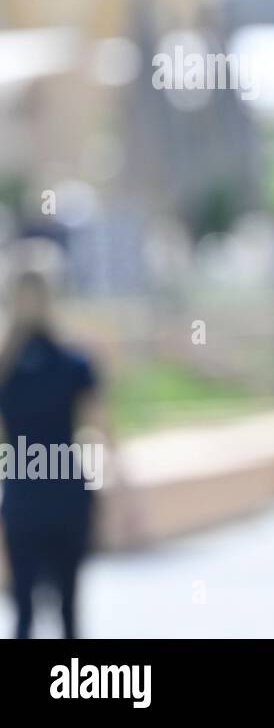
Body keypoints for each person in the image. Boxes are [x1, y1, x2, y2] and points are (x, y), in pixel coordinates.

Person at [0, 270, 102, 639]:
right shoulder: (72, 362)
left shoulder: (6, 367)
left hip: (25, 495)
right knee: (67, 612)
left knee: (25, 613)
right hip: (64, 492)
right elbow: (100, 430)